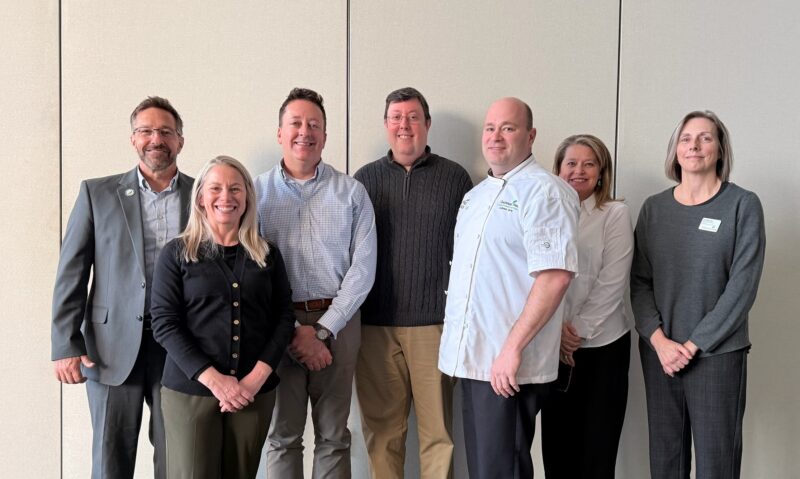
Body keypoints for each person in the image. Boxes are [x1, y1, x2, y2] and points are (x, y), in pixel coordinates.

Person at [51, 96, 193, 479]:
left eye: (165, 131)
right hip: (110, 348)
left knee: (177, 459)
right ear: (133, 140)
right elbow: (72, 273)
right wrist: (66, 344)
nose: (155, 139)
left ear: (180, 140)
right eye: (146, 131)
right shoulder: (97, 194)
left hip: (180, 348)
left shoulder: (202, 196)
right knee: (110, 462)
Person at [438, 97, 579, 479]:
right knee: (484, 470)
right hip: (472, 361)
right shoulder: (475, 196)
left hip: (506, 365)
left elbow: (554, 276)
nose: (496, 136)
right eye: (490, 128)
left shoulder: (545, 192)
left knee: (502, 470)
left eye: (508, 128)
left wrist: (512, 349)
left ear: (531, 136)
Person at [630, 110, 766, 479]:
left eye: (706, 137)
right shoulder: (654, 209)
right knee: (665, 460)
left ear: (720, 149)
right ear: (675, 150)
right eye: (686, 138)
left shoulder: (742, 205)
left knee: (716, 463)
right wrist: (660, 342)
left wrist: (692, 346)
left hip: (716, 355)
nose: (694, 145)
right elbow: (639, 282)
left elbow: (742, 286)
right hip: (660, 355)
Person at [255, 87, 377, 478]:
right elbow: (251, 270)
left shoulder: (352, 193)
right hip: (277, 323)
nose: (304, 132)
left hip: (340, 323)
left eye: (314, 125)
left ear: (325, 136)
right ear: (279, 133)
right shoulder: (254, 194)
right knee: (281, 437)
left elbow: (363, 269)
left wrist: (322, 331)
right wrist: (293, 331)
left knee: (334, 436)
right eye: (295, 123)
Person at [353, 87, 473, 479]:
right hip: (374, 327)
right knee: (382, 434)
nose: (405, 125)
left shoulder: (455, 178)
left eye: (413, 116)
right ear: (386, 125)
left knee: (438, 435)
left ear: (427, 124)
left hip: (435, 326)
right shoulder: (364, 180)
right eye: (397, 117)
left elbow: (470, 254)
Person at [150, 156, 294, 479]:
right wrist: (217, 382)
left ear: (247, 198)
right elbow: (164, 323)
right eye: (215, 188)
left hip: (253, 394)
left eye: (235, 189)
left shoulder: (267, 254)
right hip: (191, 393)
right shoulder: (176, 254)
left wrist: (252, 381)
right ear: (200, 197)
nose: (225, 197)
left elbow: (283, 318)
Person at [540, 134, 633, 478]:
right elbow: (538, 277)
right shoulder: (544, 213)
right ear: (558, 170)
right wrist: (556, 330)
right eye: (571, 163)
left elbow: (613, 281)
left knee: (597, 454)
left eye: (589, 163)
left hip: (602, 350)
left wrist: (574, 332)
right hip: (552, 349)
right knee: (557, 453)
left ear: (601, 171)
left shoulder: (615, 214)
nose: (579, 170)